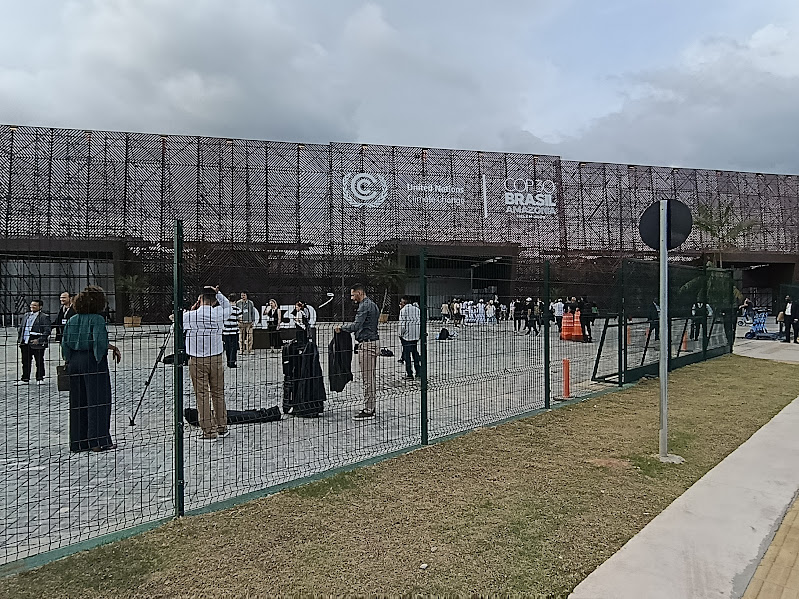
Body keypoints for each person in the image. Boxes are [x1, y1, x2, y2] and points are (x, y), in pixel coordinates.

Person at [61, 286, 121, 452]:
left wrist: (68, 359)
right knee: (98, 400)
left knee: (78, 402)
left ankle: (78, 442)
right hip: (92, 361)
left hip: (74, 360)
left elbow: (64, 343)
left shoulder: (72, 319)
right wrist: (100, 355)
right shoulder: (97, 319)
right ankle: (98, 440)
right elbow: (99, 343)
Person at [184, 286, 232, 440]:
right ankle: (222, 427)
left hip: (197, 359)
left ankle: (208, 431)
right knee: (218, 393)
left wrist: (192, 309)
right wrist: (219, 293)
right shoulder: (219, 314)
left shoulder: (190, 316)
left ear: (200, 299)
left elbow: (174, 322)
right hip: (216, 358)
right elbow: (228, 307)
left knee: (202, 395)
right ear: (214, 301)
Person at [334, 283, 380, 420]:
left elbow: (356, 325)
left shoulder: (364, 306)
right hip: (373, 342)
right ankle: (371, 405)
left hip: (366, 345)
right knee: (370, 377)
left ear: (359, 293)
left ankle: (368, 409)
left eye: (353, 295)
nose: (352, 298)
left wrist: (341, 328)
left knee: (367, 379)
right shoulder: (373, 305)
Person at [15, 299, 52, 386]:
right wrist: (20, 340)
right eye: (31, 305)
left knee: (39, 361)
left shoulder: (44, 317)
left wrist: (39, 340)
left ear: (40, 307)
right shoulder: (26, 315)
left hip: (37, 342)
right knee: (25, 361)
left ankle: (40, 378)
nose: (32, 307)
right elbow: (21, 328)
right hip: (25, 342)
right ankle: (25, 378)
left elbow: (47, 331)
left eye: (35, 305)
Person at [398, 296, 421, 380]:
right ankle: (418, 372)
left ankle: (409, 374)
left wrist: (400, 334)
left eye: (401, 303)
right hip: (415, 335)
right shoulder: (417, 310)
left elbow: (402, 325)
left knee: (407, 356)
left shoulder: (403, 311)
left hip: (406, 336)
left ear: (404, 303)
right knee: (415, 354)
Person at [222, 293, 241, 367]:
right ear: (235, 301)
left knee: (227, 347)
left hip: (226, 331)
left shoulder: (225, 309)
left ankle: (228, 362)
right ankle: (232, 362)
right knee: (234, 347)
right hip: (234, 330)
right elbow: (240, 319)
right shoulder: (237, 309)